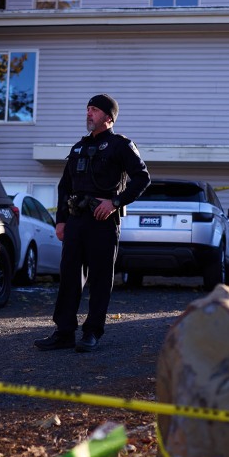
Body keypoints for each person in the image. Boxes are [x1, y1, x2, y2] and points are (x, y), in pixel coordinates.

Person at [34, 94, 150, 352]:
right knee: (69, 277)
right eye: (87, 109)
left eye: (94, 110)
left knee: (99, 278)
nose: (88, 114)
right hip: (76, 220)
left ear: (108, 117)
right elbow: (64, 187)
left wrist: (115, 203)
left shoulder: (121, 145)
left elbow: (142, 178)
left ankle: (92, 332)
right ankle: (64, 332)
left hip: (103, 221)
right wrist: (61, 221)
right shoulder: (78, 148)